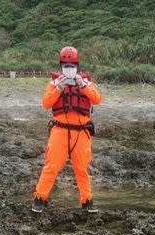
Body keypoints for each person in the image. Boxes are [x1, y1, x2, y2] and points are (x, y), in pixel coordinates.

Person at [32, 46, 102, 213]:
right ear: (61, 66)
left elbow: (97, 99)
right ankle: (39, 199)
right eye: (66, 66)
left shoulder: (86, 83)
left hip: (81, 133)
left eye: (72, 66)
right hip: (60, 131)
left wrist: (83, 86)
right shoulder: (54, 83)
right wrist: (59, 88)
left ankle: (87, 201)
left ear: (77, 66)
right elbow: (46, 103)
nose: (69, 69)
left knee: (82, 170)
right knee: (51, 167)